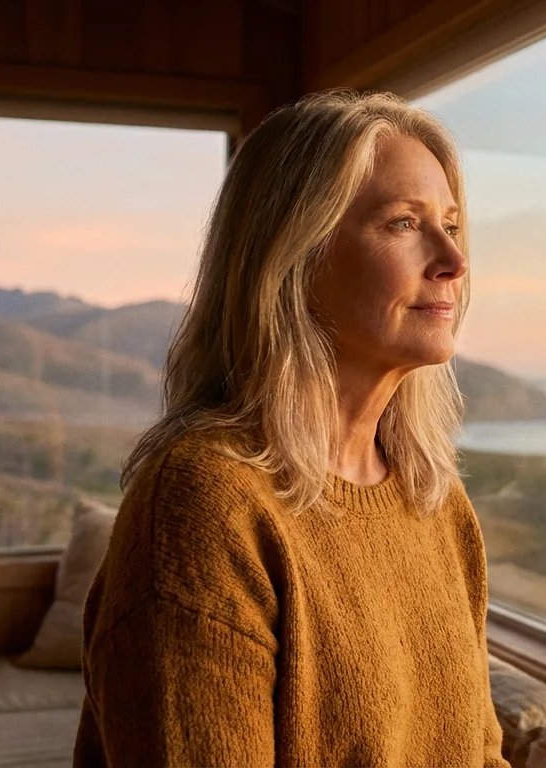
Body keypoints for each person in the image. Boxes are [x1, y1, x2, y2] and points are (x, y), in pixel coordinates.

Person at [73, 90, 510, 767]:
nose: (454, 259)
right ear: (294, 256)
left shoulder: (436, 502)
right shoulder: (204, 505)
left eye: (451, 223)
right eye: (403, 223)